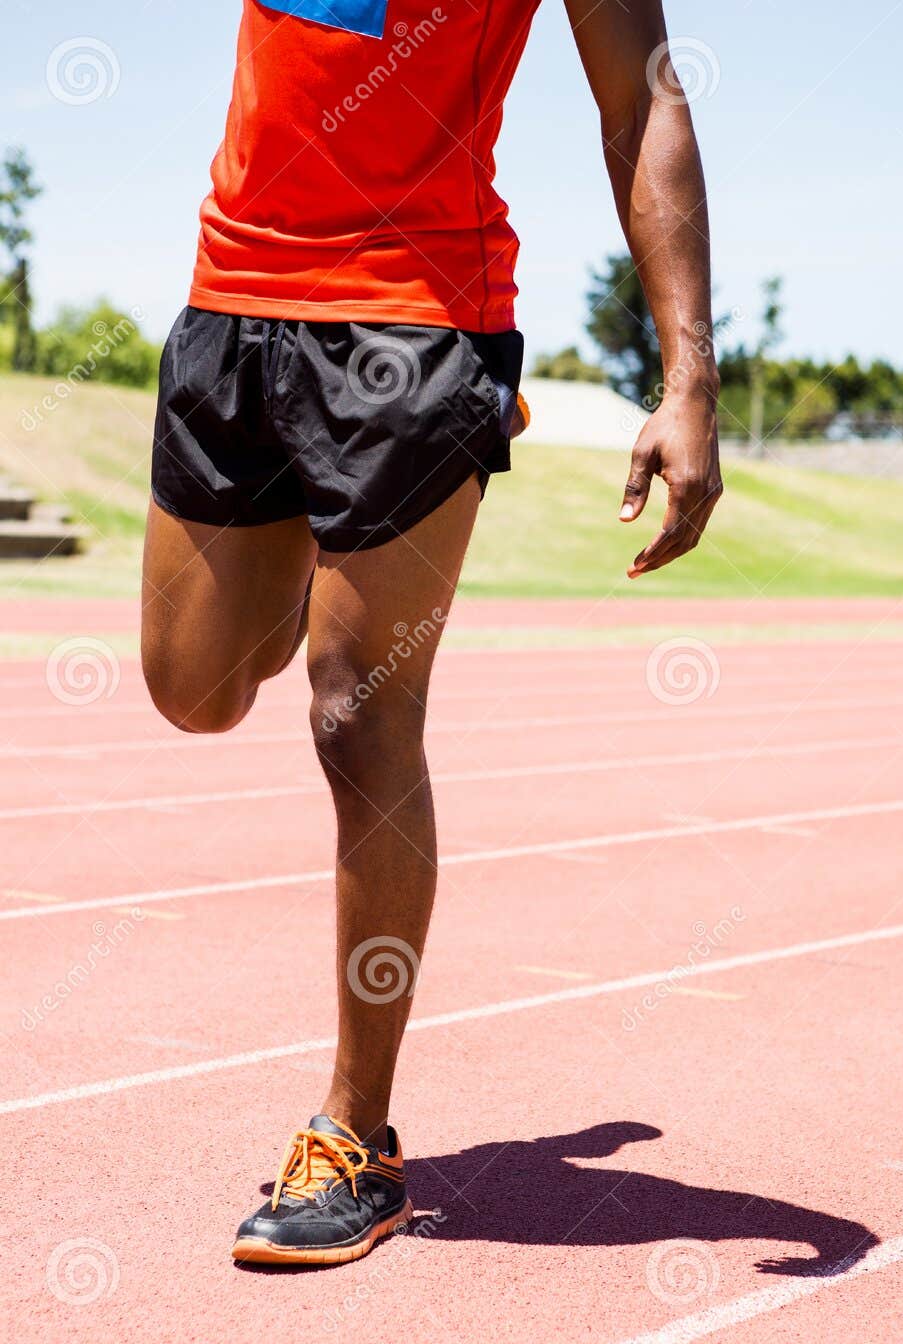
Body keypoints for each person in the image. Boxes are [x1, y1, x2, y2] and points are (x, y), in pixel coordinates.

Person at [142, 0, 723, 1266]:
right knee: (190, 688)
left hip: (411, 315)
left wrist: (687, 383)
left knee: (355, 708)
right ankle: (345, 525)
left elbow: (643, 102)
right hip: (233, 296)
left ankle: (355, 1137)